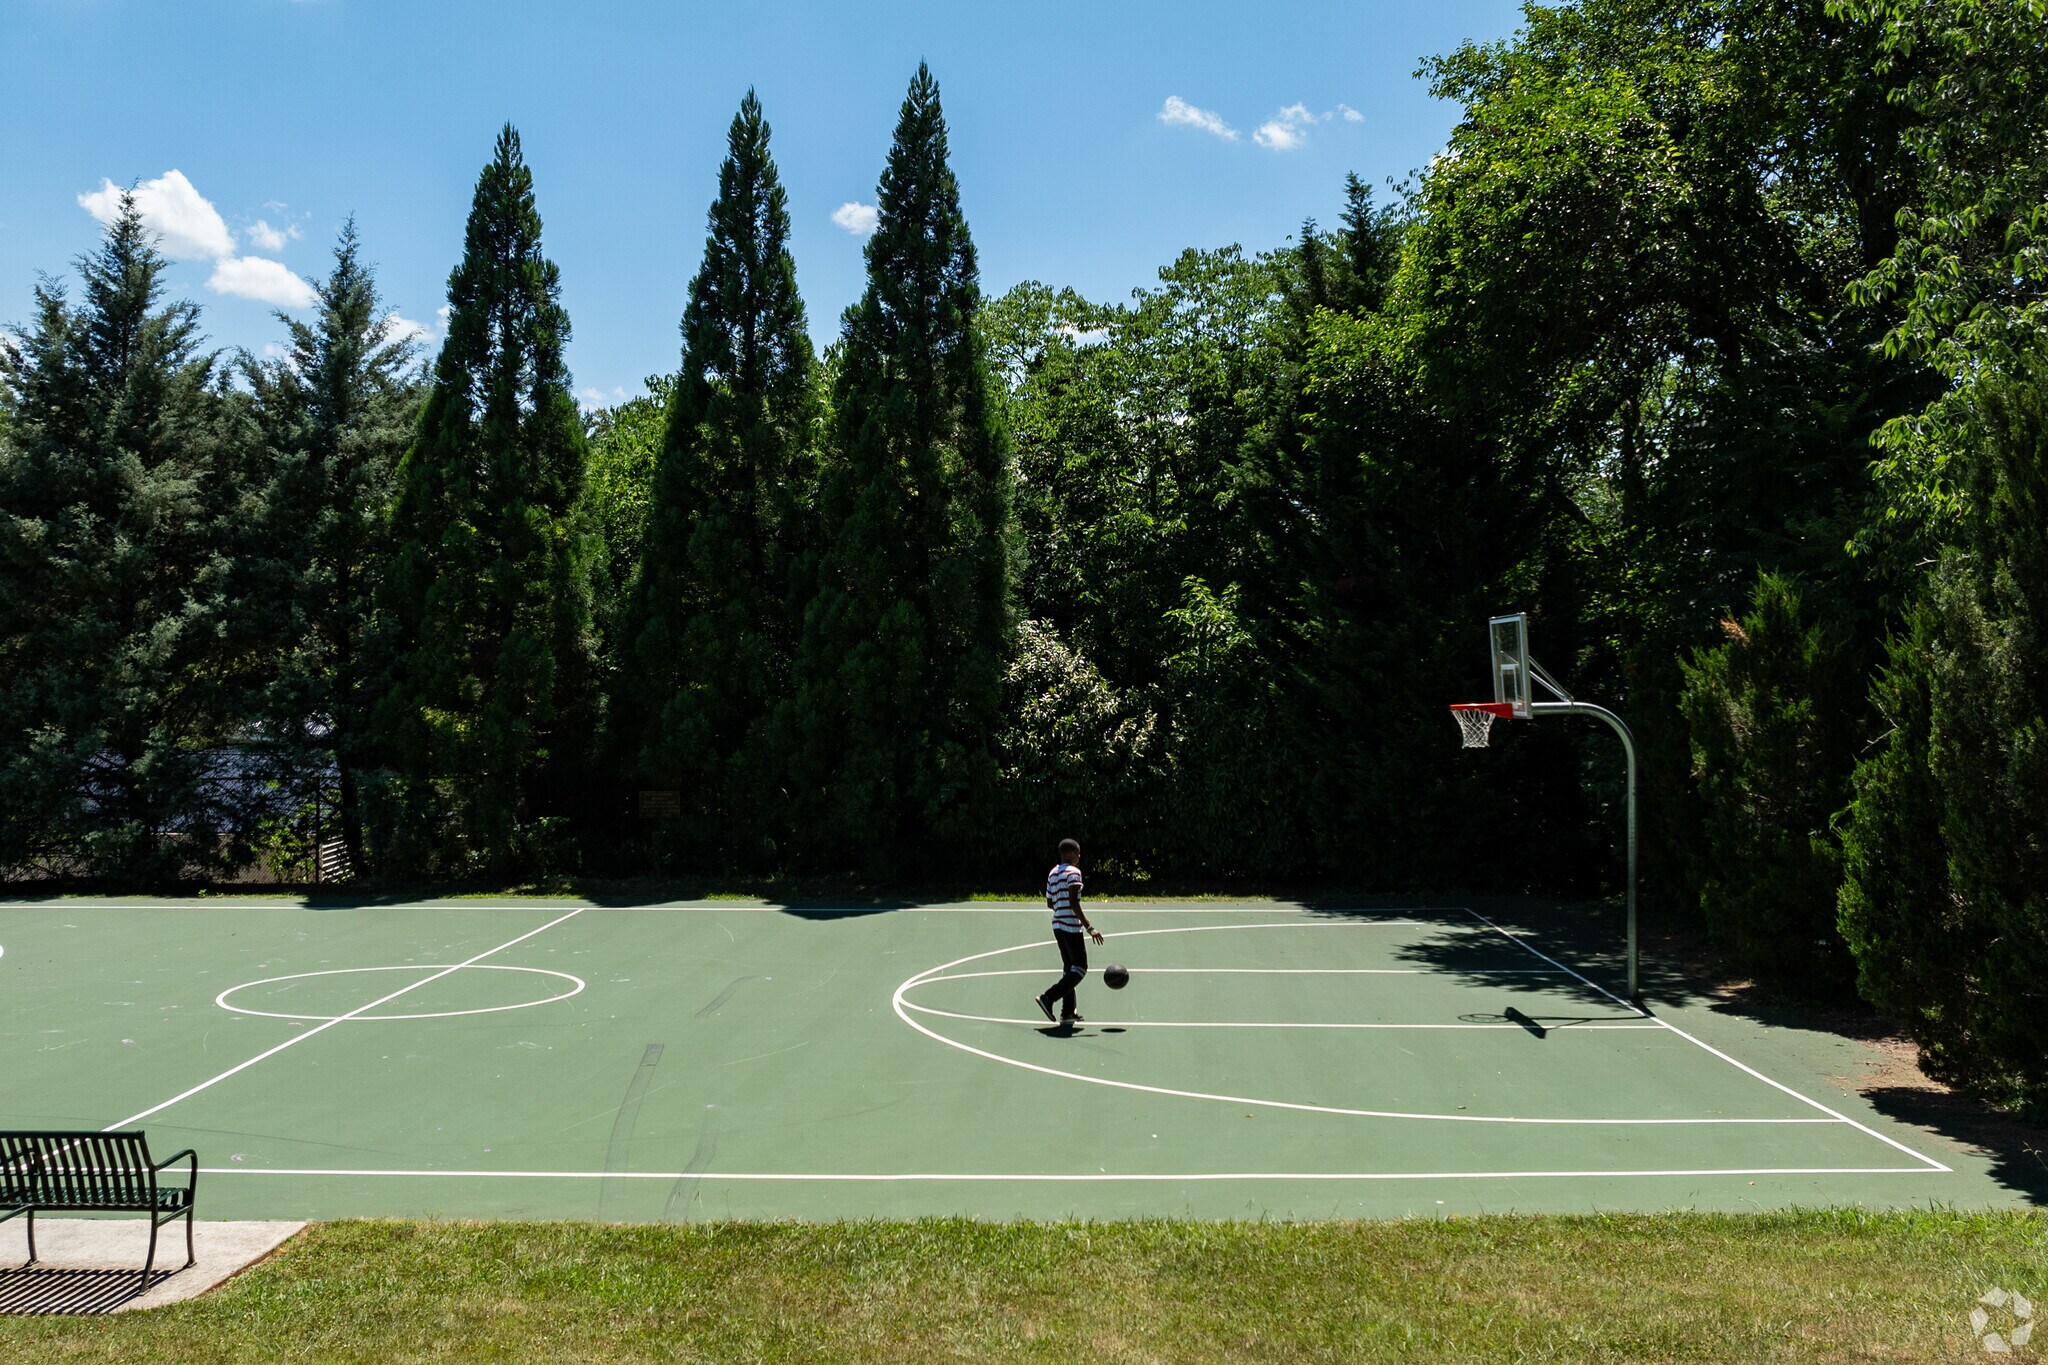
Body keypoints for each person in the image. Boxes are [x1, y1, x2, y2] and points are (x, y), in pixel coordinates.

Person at [1034, 837, 1102, 1025]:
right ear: (1070, 853)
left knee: (1069, 968)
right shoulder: (1074, 872)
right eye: (1078, 852)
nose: (1079, 856)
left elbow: (1050, 902)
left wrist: (1061, 907)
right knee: (1080, 968)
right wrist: (1090, 927)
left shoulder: (1053, 873)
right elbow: (1074, 902)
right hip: (1071, 926)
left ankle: (1067, 1012)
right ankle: (1048, 997)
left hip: (1057, 925)